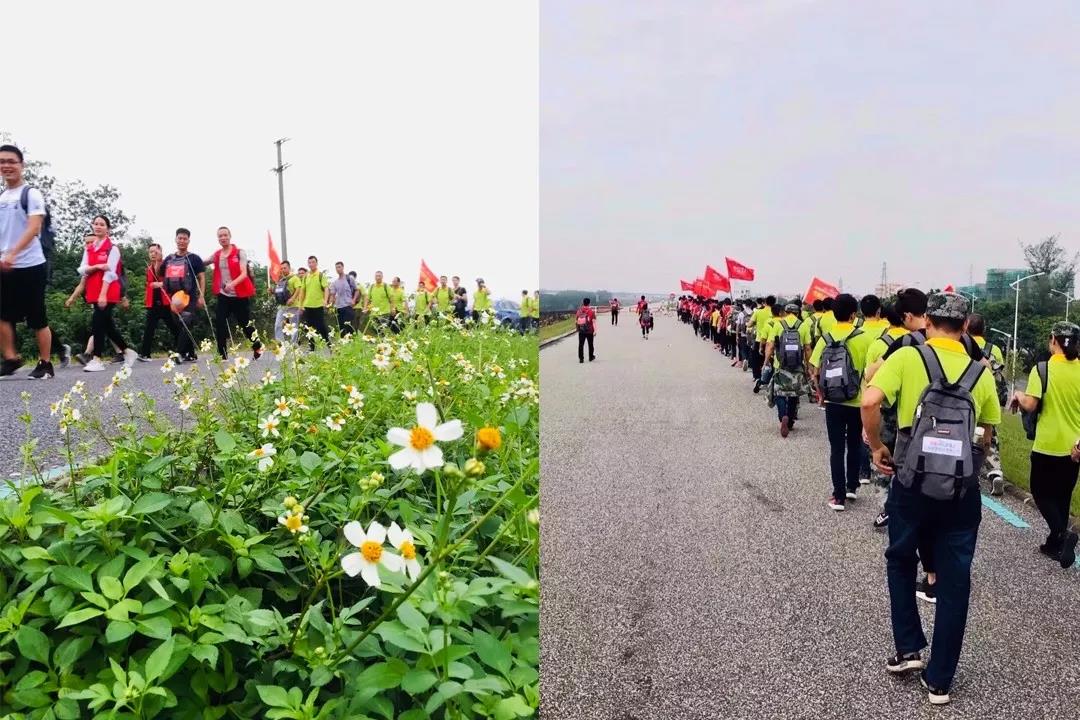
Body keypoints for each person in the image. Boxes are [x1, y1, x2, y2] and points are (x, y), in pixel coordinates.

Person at [862, 293, 1000, 706]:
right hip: (960, 491)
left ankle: (908, 650)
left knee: (901, 559)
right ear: (964, 326)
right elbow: (987, 434)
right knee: (955, 578)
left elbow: (869, 400)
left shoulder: (908, 357)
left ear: (928, 321)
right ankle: (940, 680)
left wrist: (876, 446)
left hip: (911, 481)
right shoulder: (982, 372)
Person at [1010, 321, 1080, 568]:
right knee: (1062, 495)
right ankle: (1054, 543)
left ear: (1054, 340)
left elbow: (1031, 404)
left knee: (1040, 492)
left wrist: (1018, 396)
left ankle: (1062, 533)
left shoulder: (1042, 370)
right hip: (1073, 448)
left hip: (1047, 444)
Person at [809, 293, 875, 510]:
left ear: (834, 314)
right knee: (855, 443)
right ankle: (851, 487)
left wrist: (821, 392)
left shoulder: (825, 338)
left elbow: (814, 370)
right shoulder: (865, 337)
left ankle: (838, 497)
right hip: (857, 401)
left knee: (836, 448)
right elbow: (872, 370)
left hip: (833, 402)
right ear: (854, 314)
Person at [0, 144, 57, 379]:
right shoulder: (1, 196)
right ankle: (11, 358)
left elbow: (35, 226)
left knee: (37, 317)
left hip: (31, 264)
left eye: (11, 161)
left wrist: (14, 252)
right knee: (2, 315)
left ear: (22, 165)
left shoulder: (31, 194)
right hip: (5, 265)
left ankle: (45, 363)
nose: (6, 166)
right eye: (2, 162)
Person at [77, 215, 137, 372]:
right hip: (93, 289)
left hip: (108, 290)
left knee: (98, 322)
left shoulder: (113, 248)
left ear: (108, 229)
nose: (98, 226)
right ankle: (127, 351)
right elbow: (82, 269)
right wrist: (96, 266)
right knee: (107, 325)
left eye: (102, 224)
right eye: (95, 224)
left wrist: (103, 294)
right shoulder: (89, 248)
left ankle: (96, 358)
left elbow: (110, 273)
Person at [207, 227, 261, 360]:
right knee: (220, 322)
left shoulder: (239, 252)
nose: (223, 238)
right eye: (220, 236)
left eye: (225, 235)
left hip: (239, 295)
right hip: (223, 295)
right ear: (218, 238)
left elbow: (244, 274)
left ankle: (258, 347)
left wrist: (232, 284)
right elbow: (203, 262)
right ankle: (222, 355)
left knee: (245, 324)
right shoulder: (217, 254)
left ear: (230, 236)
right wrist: (188, 258)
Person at [763, 302, 812, 437]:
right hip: (797, 365)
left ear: (785, 312)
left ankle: (782, 416)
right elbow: (807, 348)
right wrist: (809, 366)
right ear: (797, 313)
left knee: (779, 392)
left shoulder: (778, 324)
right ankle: (789, 421)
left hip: (780, 365)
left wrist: (766, 361)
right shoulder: (803, 326)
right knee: (793, 394)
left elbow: (770, 345)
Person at [161, 228, 206, 362]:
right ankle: (191, 353)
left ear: (188, 241)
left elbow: (202, 278)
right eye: (179, 238)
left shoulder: (195, 258)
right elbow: (161, 273)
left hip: (189, 296)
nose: (182, 241)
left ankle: (178, 354)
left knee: (185, 322)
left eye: (184, 239)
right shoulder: (169, 258)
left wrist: (201, 295)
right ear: (175, 239)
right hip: (174, 297)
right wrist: (158, 259)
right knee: (180, 325)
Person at [137, 242, 180, 361]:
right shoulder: (148, 268)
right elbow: (149, 284)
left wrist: (160, 283)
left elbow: (172, 281)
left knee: (174, 327)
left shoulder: (167, 266)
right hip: (153, 303)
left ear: (161, 252)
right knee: (149, 329)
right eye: (151, 252)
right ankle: (145, 354)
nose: (153, 254)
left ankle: (185, 350)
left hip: (166, 303)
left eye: (155, 252)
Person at [298, 256, 331, 348]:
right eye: (309, 262)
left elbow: (326, 288)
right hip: (307, 305)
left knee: (321, 326)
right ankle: (312, 347)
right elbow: (302, 291)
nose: (311, 264)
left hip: (318, 305)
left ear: (316, 263)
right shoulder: (305, 277)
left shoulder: (321, 275)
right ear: (308, 264)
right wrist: (300, 305)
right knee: (309, 328)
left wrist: (325, 300)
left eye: (313, 262)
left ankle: (329, 344)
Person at [271, 260, 302, 343]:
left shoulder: (295, 278)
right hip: (283, 306)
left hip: (293, 306)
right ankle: (281, 344)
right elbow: (278, 293)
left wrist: (292, 298)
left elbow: (298, 289)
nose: (283, 270)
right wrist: (271, 291)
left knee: (293, 326)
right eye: (281, 268)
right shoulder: (281, 281)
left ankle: (294, 345)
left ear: (289, 268)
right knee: (278, 325)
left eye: (285, 268)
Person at [330, 261, 358, 336]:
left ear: (343, 267)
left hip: (348, 306)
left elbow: (357, 290)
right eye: (336, 268)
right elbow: (332, 295)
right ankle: (343, 346)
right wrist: (330, 305)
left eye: (339, 267)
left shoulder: (349, 278)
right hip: (339, 307)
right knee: (341, 329)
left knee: (349, 328)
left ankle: (353, 345)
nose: (338, 269)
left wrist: (354, 300)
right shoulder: (335, 282)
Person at [576, 297, 597, 363]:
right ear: (589, 303)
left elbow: (576, 321)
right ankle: (591, 357)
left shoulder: (579, 311)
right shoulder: (591, 311)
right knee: (590, 344)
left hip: (581, 330)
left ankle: (581, 359)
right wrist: (595, 331)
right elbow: (593, 322)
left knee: (581, 345)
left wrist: (577, 328)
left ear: (583, 302)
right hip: (589, 330)